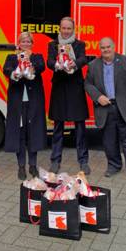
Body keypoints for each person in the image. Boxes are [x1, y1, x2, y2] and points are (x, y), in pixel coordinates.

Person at [84, 37, 126, 184]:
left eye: (108, 47)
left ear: (114, 46)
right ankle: (114, 165)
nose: (106, 50)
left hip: (125, 107)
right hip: (105, 107)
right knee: (109, 141)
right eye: (103, 48)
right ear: (100, 49)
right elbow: (88, 84)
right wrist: (98, 97)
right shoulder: (93, 65)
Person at [47, 16, 90, 174]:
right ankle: (55, 161)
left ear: (73, 29)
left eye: (69, 28)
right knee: (58, 126)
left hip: (75, 88)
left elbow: (83, 58)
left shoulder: (79, 44)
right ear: (60, 29)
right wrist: (58, 65)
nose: (66, 31)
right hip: (59, 87)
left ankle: (83, 161)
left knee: (80, 127)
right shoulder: (53, 45)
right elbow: (49, 62)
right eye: (63, 28)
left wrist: (75, 63)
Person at [3, 32, 47, 180]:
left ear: (32, 43)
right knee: (20, 134)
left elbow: (41, 67)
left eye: (29, 41)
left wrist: (29, 62)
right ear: (19, 43)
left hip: (34, 101)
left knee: (33, 133)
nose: (26, 44)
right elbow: (6, 70)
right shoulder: (11, 58)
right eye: (23, 41)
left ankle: (33, 166)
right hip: (17, 102)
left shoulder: (37, 57)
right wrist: (16, 70)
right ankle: (21, 166)